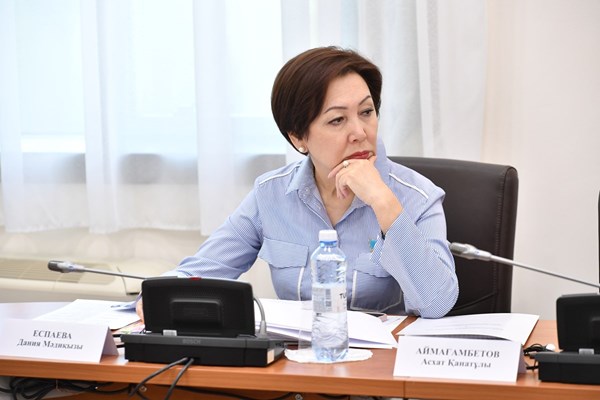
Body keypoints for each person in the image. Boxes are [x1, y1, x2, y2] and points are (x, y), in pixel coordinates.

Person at [137, 46, 458, 321]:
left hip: (380, 369)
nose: (360, 132)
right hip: (298, 362)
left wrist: (383, 202)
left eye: (366, 112)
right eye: (337, 119)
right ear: (298, 137)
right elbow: (204, 270)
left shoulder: (418, 196)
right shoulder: (271, 194)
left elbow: (437, 304)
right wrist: (156, 296)